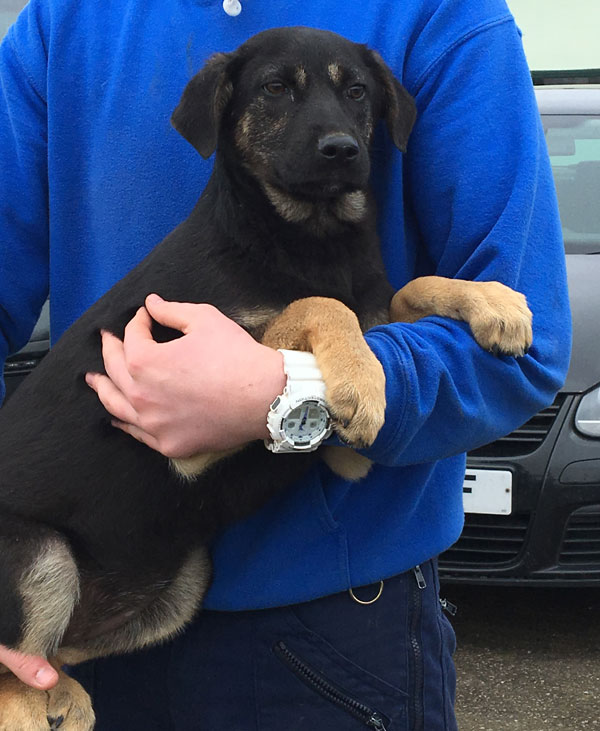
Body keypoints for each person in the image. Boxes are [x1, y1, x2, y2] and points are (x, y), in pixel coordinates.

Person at [0, 0, 571, 728]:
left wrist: (286, 393)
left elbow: (528, 348)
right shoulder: (65, 19)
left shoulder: (443, 14)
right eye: (281, 92)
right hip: (77, 623)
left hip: (335, 633)